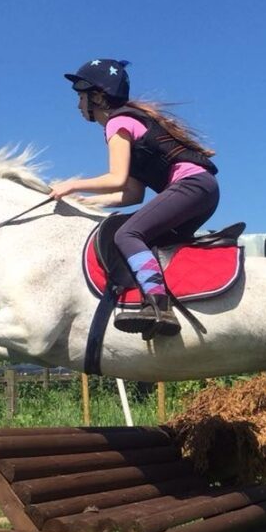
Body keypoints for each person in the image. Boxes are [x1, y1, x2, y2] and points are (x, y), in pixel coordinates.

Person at [48, 58, 219, 337]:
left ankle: (158, 305)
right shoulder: (132, 122)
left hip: (191, 186)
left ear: (99, 97)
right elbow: (130, 193)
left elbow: (115, 179)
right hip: (201, 191)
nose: (78, 105)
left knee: (127, 235)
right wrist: (85, 205)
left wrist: (71, 186)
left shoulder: (118, 123)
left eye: (81, 97)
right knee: (147, 240)